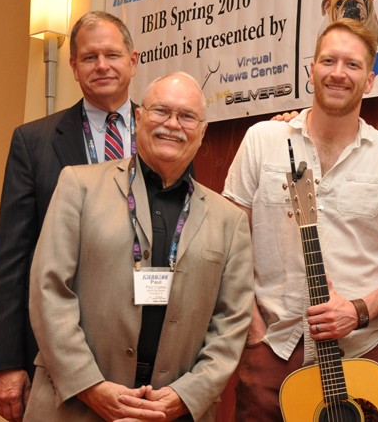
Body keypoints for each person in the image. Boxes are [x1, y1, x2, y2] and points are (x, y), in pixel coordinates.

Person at [223, 19, 378, 420]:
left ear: (370, 81)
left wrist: (358, 310)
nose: (338, 73)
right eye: (328, 61)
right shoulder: (263, 141)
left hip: (360, 355)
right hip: (272, 350)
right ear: (311, 70)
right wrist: (254, 333)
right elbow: (227, 248)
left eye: (352, 65)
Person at [24, 72, 254, 421]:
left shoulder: (230, 220)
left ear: (202, 130)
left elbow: (232, 322)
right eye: (161, 111)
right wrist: (90, 386)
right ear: (139, 117)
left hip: (173, 412)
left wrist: (185, 396)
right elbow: (49, 291)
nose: (172, 124)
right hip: (74, 406)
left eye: (187, 116)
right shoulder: (78, 186)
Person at [0, 11, 138, 421]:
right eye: (89, 57)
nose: (102, 65)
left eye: (112, 54)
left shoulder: (166, 131)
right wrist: (5, 363)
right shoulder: (33, 142)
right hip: (57, 347)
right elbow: (12, 259)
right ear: (73, 67)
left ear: (133, 60)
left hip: (146, 346)